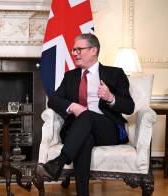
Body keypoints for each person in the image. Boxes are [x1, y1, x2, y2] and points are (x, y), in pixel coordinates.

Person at [36, 33, 135, 196]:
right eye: (73, 50)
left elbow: (129, 107)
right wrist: (72, 106)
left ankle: (58, 162)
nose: (74, 53)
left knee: (87, 115)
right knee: (85, 138)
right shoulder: (70, 76)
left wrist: (110, 98)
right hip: (77, 130)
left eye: (79, 49)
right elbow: (53, 100)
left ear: (93, 50)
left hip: (107, 129)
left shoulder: (114, 73)